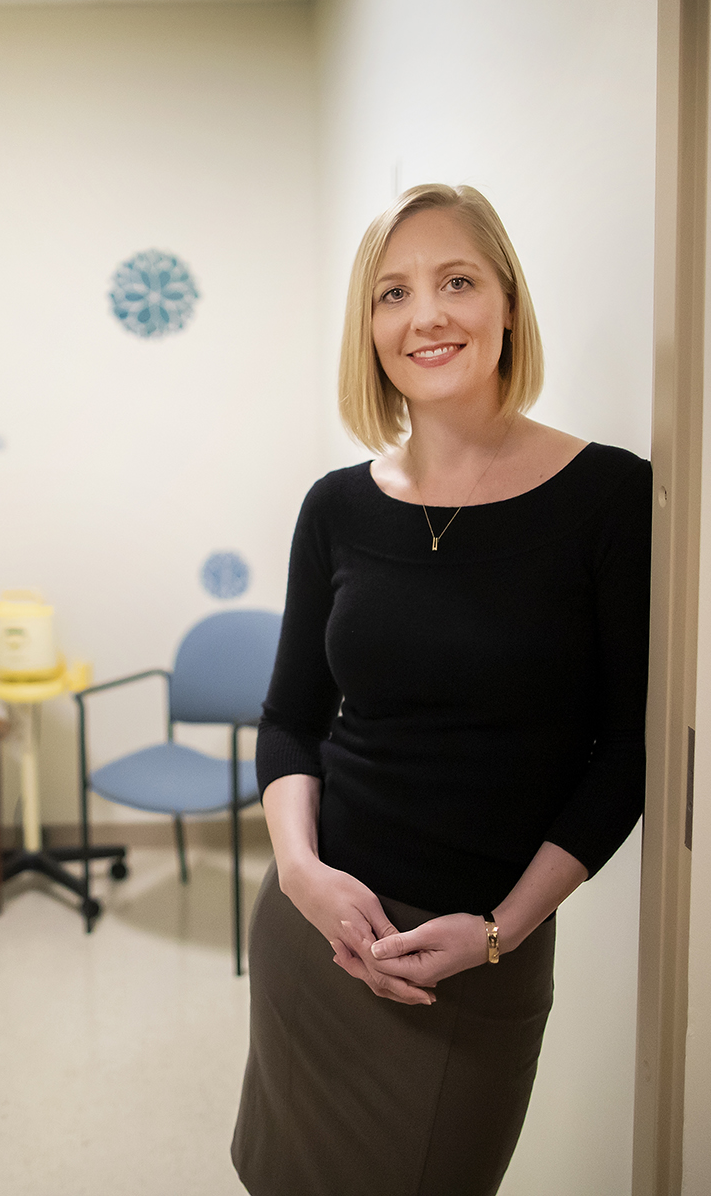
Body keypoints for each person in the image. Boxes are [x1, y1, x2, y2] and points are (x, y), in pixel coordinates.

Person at [230, 184, 649, 1196]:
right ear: (366, 328)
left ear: (506, 301)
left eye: (455, 280)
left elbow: (628, 750)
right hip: (315, 934)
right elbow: (290, 720)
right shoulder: (334, 509)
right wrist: (298, 873)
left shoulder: (609, 498)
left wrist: (502, 927)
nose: (425, 315)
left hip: (474, 958)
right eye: (391, 292)